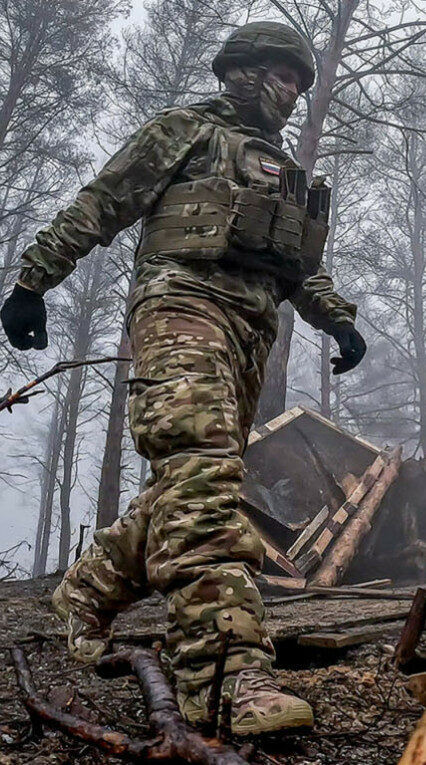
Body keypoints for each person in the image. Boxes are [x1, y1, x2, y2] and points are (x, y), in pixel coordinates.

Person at [0, 22, 366, 735]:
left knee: (194, 480)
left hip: (248, 336)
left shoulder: (281, 169)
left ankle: (86, 590)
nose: (291, 91)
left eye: (299, 80)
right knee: (199, 473)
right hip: (179, 306)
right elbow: (102, 201)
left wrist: (338, 320)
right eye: (282, 75)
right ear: (244, 71)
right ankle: (225, 672)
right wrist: (32, 282)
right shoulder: (185, 131)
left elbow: (298, 267)